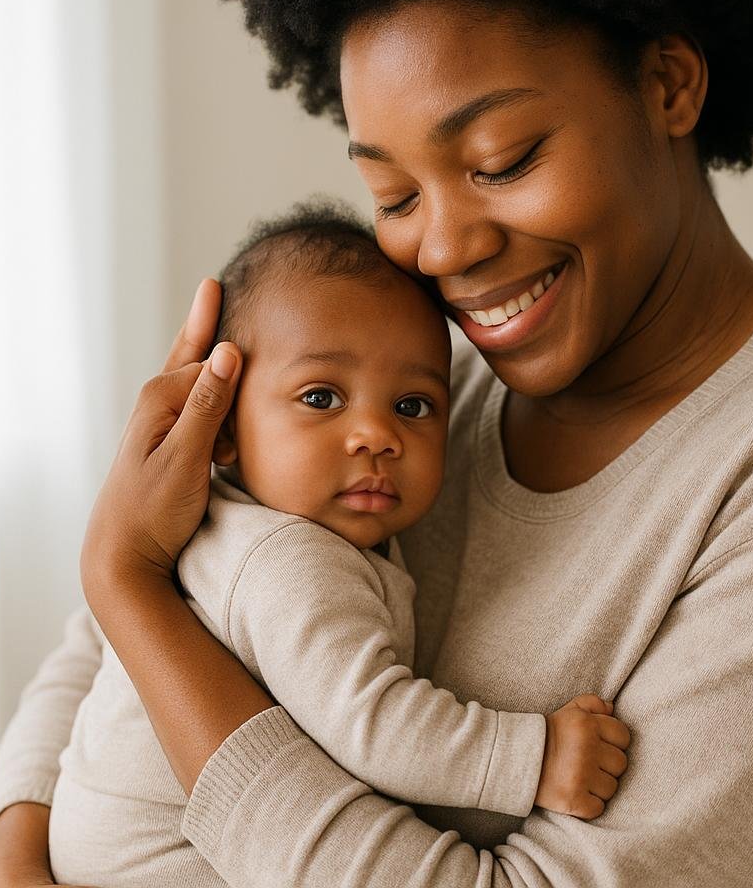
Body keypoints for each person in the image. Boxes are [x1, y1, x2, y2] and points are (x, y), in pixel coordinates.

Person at [0, 0, 753, 885]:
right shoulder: (424, 392)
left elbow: (145, 610)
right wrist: (19, 850)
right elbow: (137, 633)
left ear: (669, 84)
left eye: (501, 160)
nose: (444, 247)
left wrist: (122, 580)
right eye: (394, 191)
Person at [40, 204, 630, 888]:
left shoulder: (220, 527)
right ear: (220, 429)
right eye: (321, 397)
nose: (375, 434)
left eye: (412, 406)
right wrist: (533, 756)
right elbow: (373, 723)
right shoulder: (289, 560)